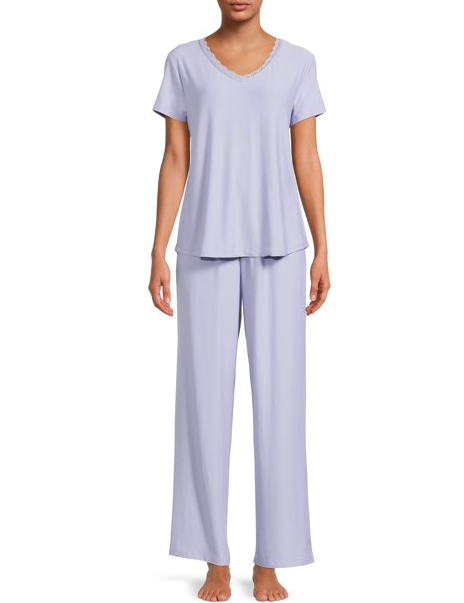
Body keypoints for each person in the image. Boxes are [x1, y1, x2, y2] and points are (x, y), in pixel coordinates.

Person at [148, 1, 330, 600]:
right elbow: (176, 158)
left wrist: (322, 248)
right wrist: (157, 249)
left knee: (281, 408)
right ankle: (214, 559)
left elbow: (307, 157)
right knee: (202, 407)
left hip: (280, 250)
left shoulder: (298, 64)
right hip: (203, 248)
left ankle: (273, 558)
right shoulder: (183, 63)